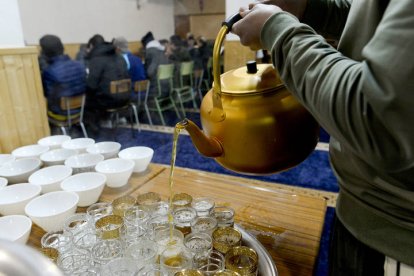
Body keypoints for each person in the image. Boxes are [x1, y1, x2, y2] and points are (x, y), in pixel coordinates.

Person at [231, 1, 414, 275]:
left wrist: (278, 30)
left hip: (396, 236)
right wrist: (308, 8)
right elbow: (374, 18)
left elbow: (380, 118)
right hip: (363, 208)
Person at [84, 34, 130, 131]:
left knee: (87, 99)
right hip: (126, 99)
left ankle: (101, 122)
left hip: (109, 102)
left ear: (92, 46)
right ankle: (118, 117)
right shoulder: (120, 57)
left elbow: (91, 85)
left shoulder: (97, 60)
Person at [39, 34, 86, 116]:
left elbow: (46, 93)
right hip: (81, 110)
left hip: (60, 112)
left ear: (45, 52)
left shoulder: (49, 71)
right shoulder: (80, 65)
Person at [141, 31, 169, 98]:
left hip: (156, 88)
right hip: (168, 86)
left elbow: (150, 72)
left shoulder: (149, 52)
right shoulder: (162, 51)